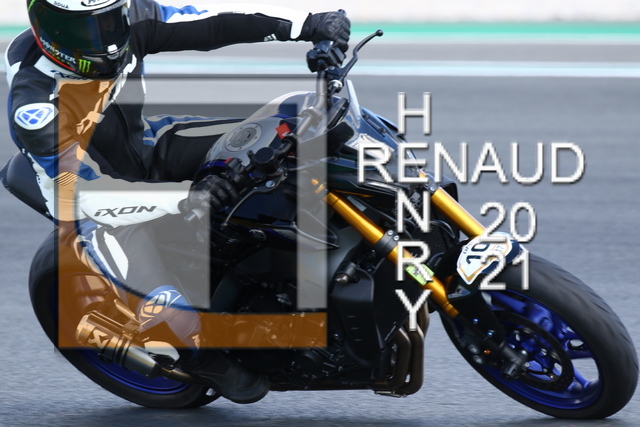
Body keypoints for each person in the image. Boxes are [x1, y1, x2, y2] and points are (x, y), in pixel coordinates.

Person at [6, 0, 350, 403]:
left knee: (285, 126)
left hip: (147, 149)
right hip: (93, 207)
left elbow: (212, 24)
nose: (106, 38)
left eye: (110, 19)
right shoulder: (36, 105)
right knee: (171, 313)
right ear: (48, 29)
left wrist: (308, 24)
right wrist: (186, 196)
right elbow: (89, 193)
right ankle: (201, 357)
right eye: (86, 30)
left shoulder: (133, 20)